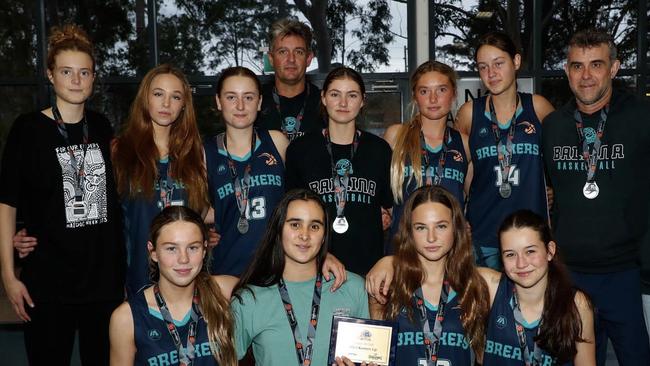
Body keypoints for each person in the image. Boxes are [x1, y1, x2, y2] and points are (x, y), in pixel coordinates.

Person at [0, 24, 125, 365]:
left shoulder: (101, 126)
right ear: (50, 75)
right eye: (66, 72)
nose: (75, 80)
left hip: (103, 283)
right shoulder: (27, 129)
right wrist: (9, 276)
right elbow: (7, 204)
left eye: (84, 72)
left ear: (93, 78)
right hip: (49, 282)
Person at [542, 28, 650, 365]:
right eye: (577, 66)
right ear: (566, 70)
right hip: (570, 275)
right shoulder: (554, 126)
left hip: (627, 275)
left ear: (615, 68)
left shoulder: (641, 118)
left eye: (596, 65)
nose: (586, 75)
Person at [231, 188, 372, 366]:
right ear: (279, 229)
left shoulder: (352, 287)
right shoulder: (249, 300)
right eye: (295, 224)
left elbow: (369, 357)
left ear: (324, 236)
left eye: (314, 226)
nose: (305, 235)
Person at [455, 31, 554, 269]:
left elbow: (561, 154)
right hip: (484, 233)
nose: (491, 73)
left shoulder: (537, 107)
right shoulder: (470, 113)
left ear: (516, 62)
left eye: (499, 63)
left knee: (532, 305)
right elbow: (460, 168)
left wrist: (555, 189)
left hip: (531, 234)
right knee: (486, 305)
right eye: (483, 67)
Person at [112, 64, 209, 296]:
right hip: (136, 279)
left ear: (184, 104)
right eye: (158, 94)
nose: (166, 104)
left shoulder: (197, 155)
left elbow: (201, 211)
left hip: (186, 278)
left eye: (175, 97)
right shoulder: (120, 151)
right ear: (145, 98)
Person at [285, 66, 393, 276]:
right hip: (315, 266)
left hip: (367, 270)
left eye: (351, 95)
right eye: (335, 94)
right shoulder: (300, 150)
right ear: (324, 98)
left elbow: (388, 207)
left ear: (362, 100)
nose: (343, 103)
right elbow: (290, 214)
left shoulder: (379, 150)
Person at [109, 205, 238, 366]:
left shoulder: (224, 291)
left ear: (204, 250)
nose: (183, 259)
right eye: (171, 248)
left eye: (193, 247)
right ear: (153, 252)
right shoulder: (126, 318)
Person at [378, 185, 492, 365]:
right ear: (409, 231)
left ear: (456, 228)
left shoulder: (476, 285)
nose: (431, 238)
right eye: (421, 227)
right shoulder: (387, 283)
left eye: (441, 226)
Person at [205, 66, 289, 276]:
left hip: (277, 269)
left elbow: (296, 200)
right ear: (218, 101)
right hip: (228, 271)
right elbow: (197, 207)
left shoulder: (277, 142)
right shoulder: (204, 152)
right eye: (231, 97)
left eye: (248, 97)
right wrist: (202, 230)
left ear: (259, 102)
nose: (240, 105)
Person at [484, 209, 595, 365]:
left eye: (530, 251)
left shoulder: (577, 304)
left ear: (550, 251)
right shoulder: (492, 288)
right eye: (510, 254)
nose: (521, 264)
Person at [384, 60, 471, 244]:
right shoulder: (396, 136)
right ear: (415, 97)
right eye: (424, 91)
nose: (433, 99)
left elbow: (478, 196)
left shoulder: (464, 143)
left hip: (450, 250)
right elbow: (379, 192)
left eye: (441, 90)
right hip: (403, 248)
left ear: (454, 94)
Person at [256, 18, 323, 142]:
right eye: (283, 52)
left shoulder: (324, 104)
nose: (291, 59)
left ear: (308, 58)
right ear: (271, 58)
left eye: (298, 52)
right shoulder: (254, 102)